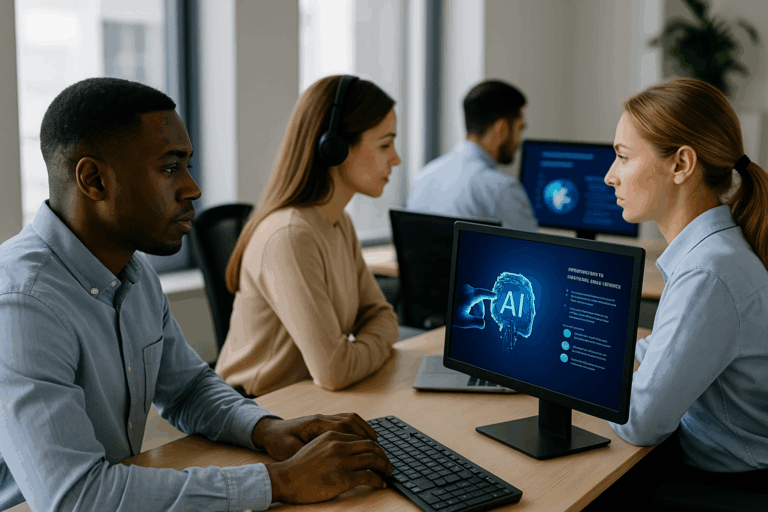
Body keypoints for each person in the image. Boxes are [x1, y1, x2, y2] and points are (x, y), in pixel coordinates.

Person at [0, 77, 391, 512]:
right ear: (94, 180)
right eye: (170, 168)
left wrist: (265, 428)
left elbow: (187, 388)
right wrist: (276, 482)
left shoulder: (133, 272)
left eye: (187, 165)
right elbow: (75, 497)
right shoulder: (21, 304)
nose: (192, 188)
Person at [589, 77, 768, 510]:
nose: (610, 176)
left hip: (725, 488)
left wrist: (571, 372)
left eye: (623, 157)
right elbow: (662, 353)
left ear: (681, 164)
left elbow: (640, 422)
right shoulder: (709, 253)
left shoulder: (710, 272)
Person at [215, 75, 400, 397]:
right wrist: (373, 345)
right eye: (385, 144)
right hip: (258, 413)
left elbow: (380, 315)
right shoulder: (289, 236)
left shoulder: (338, 222)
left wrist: (363, 347)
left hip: (307, 404)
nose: (396, 159)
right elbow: (334, 371)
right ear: (335, 148)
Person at [406, 79, 538, 231]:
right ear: (501, 128)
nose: (519, 141)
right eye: (520, 128)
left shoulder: (423, 177)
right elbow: (533, 252)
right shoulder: (502, 189)